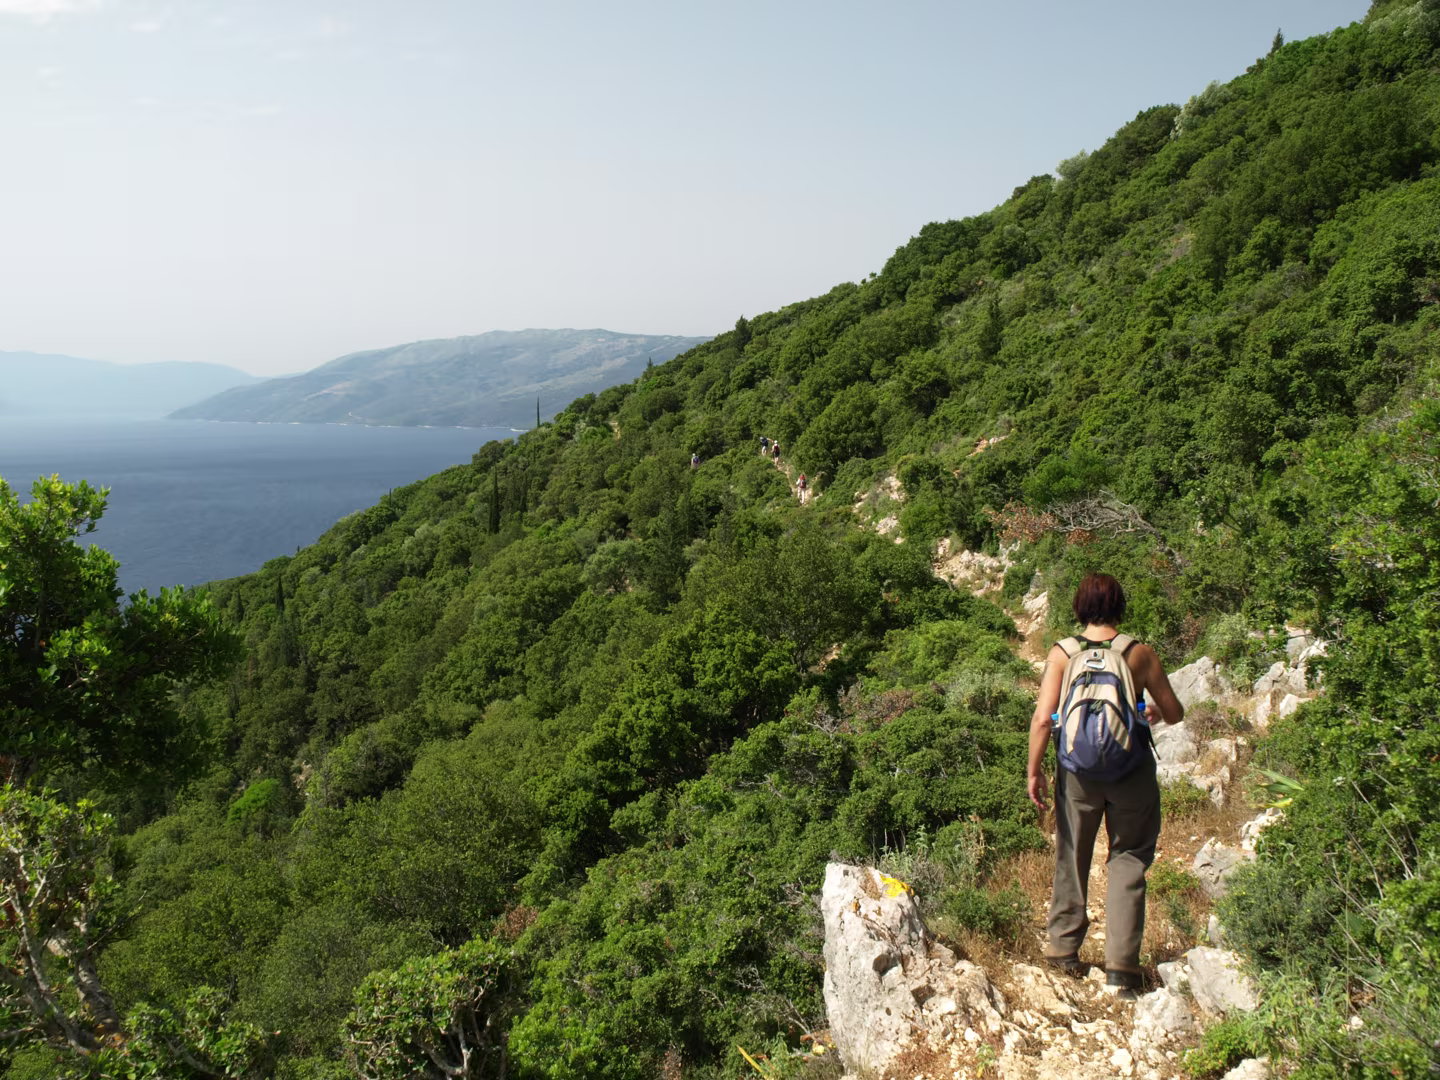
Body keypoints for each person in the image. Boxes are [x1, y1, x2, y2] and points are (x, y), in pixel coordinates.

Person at [1027, 572, 1183, 991]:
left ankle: (1062, 949)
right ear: (1120, 606)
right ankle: (1122, 969)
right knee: (1128, 857)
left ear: (1079, 607)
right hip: (1131, 771)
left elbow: (1042, 719)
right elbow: (1174, 712)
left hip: (1077, 773)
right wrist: (1151, 712)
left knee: (1071, 853)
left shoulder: (1063, 653)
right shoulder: (1138, 653)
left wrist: (1034, 771)